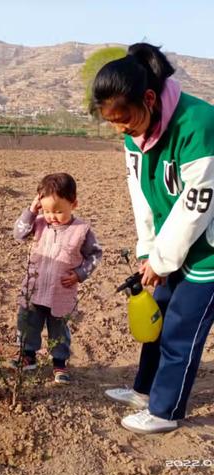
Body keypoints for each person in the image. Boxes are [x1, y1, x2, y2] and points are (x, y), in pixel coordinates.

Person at [90, 43, 214, 433]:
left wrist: (161, 261)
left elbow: (197, 204)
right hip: (166, 244)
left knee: (180, 331)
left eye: (123, 119)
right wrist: (148, 251)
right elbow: (140, 193)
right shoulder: (135, 132)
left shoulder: (199, 124)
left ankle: (165, 412)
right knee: (157, 321)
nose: (120, 129)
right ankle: (144, 391)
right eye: (111, 122)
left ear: (148, 98)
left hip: (207, 250)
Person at [11, 173, 102, 384]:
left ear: (74, 203)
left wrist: (80, 274)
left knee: (59, 329)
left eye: (59, 211)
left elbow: (95, 254)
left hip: (61, 292)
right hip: (34, 287)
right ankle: (28, 357)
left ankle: (60, 364)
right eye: (47, 210)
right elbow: (18, 234)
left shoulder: (81, 230)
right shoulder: (39, 222)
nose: (52, 216)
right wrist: (32, 211)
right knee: (28, 323)